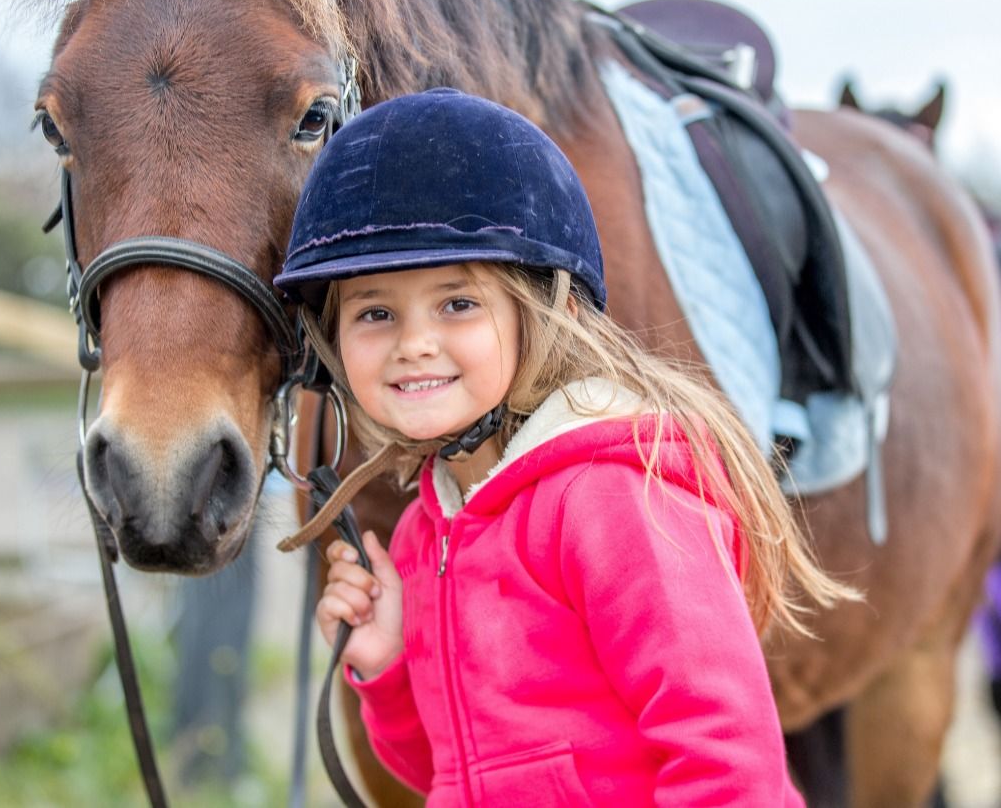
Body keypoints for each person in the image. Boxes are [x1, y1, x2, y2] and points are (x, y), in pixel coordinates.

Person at [274, 88, 854, 805]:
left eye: (457, 302)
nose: (413, 344)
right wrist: (390, 666)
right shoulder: (428, 532)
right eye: (375, 312)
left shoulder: (615, 501)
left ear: (544, 312)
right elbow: (449, 778)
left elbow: (730, 767)